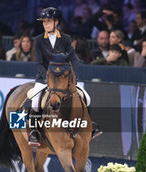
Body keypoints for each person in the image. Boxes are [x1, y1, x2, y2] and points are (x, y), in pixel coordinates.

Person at [29, 7, 101, 147]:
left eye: (48, 21)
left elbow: (73, 59)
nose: (46, 24)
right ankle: (35, 132)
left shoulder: (66, 39)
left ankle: (90, 125)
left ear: (56, 22)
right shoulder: (38, 40)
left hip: (64, 79)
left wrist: (74, 76)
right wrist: (46, 78)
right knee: (36, 102)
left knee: (86, 97)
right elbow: (38, 63)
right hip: (44, 78)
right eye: (44, 22)